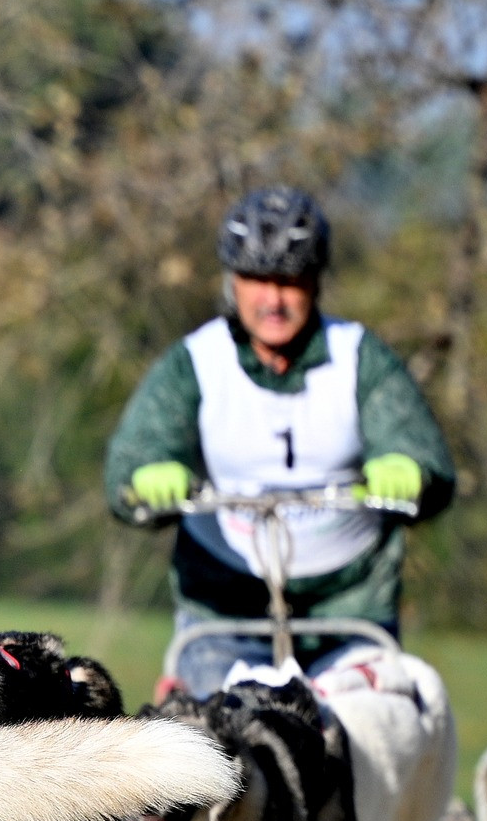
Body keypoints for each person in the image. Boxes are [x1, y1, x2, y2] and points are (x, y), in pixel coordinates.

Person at [105, 186, 457, 698]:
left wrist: (409, 467)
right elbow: (133, 460)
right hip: (225, 614)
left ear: (315, 281)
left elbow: (421, 453)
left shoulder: (360, 358)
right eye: (256, 278)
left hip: (348, 611)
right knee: (217, 736)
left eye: (289, 280)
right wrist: (146, 477)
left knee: (372, 735)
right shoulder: (195, 363)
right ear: (232, 280)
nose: (272, 298)